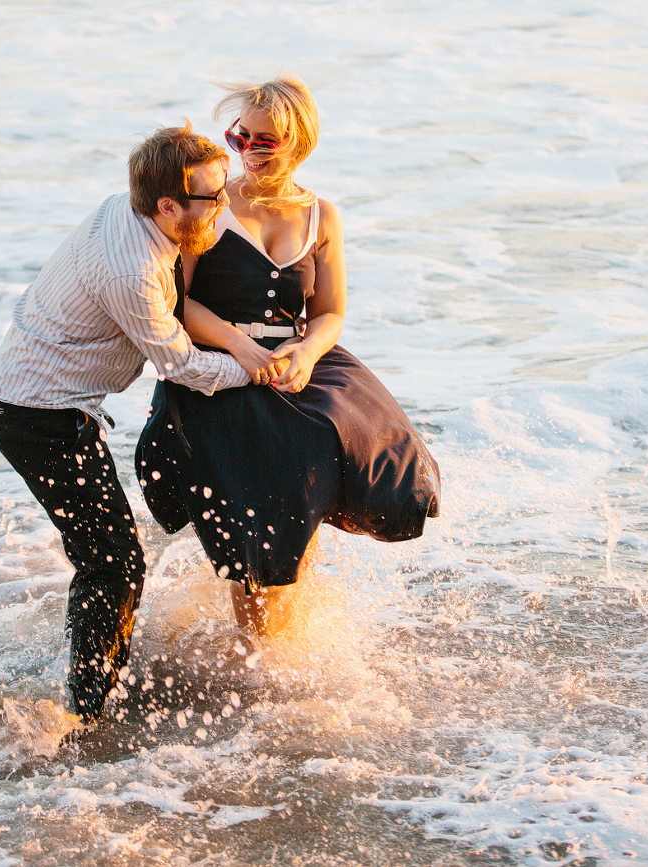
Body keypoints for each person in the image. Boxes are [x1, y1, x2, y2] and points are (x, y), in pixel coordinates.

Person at [0, 123, 282, 725]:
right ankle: (88, 710)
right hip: (38, 416)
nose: (224, 206)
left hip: (45, 402)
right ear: (167, 205)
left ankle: (95, 684)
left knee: (108, 554)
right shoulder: (134, 272)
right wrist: (252, 365)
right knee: (113, 560)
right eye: (211, 199)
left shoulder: (135, 206)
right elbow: (179, 364)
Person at [136, 75, 441, 636]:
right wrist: (240, 345)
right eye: (239, 138)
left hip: (295, 368)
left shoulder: (323, 215)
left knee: (344, 475)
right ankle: (262, 664)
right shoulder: (210, 203)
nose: (248, 152)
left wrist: (306, 351)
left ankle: (292, 641)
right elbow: (180, 305)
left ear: (298, 142)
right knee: (257, 525)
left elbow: (329, 313)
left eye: (264, 141)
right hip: (222, 370)